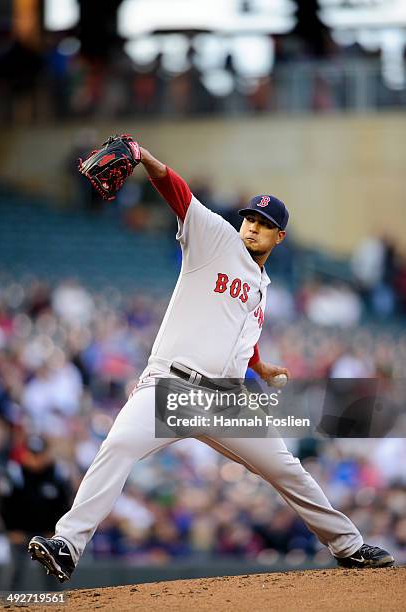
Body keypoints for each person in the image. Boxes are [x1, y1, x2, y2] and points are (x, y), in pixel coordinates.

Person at [28, 145, 394, 582]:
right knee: (118, 447)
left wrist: (262, 369)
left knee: (287, 470)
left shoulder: (262, 285)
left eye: (265, 225)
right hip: (171, 387)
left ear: (280, 237)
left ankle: (348, 547)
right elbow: (178, 193)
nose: (253, 227)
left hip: (226, 399)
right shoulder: (216, 239)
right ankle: (67, 545)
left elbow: (241, 339)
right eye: (251, 219)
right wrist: (145, 157)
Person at [0, 435, 71, 588]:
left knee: (53, 574)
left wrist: (57, 531)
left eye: (39, 454)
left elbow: (64, 506)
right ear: (25, 453)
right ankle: (9, 607)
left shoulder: (56, 474)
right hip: (19, 533)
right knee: (14, 574)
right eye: (32, 453)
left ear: (46, 454)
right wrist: (10, 530)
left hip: (46, 534)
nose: (35, 458)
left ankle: (57, 606)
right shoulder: (15, 474)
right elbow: (4, 505)